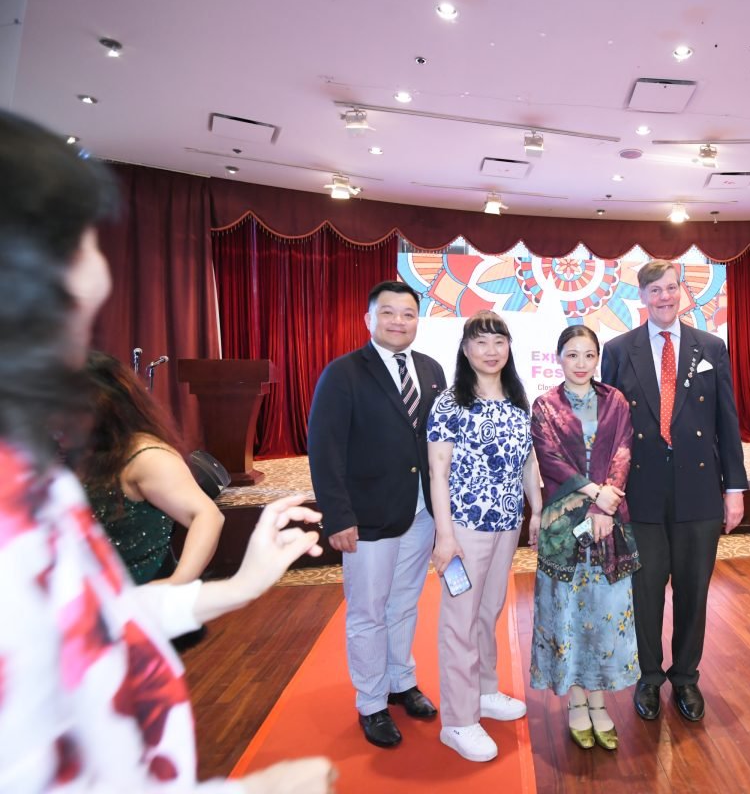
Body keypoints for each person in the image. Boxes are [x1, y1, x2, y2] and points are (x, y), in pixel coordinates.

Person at [0, 109, 334, 792]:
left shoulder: (33, 480)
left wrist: (235, 588)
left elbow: (84, 630)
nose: (100, 276)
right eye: (81, 244)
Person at [600, 260, 748, 723]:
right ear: (641, 297)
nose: (664, 297)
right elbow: (610, 430)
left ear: (681, 291)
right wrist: (607, 490)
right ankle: (648, 677)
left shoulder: (711, 347)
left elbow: (726, 421)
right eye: (655, 290)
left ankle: (685, 677)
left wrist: (734, 489)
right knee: (645, 591)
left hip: (699, 490)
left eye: (670, 288)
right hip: (639, 492)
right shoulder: (618, 350)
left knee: (693, 589)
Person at [308, 280, 446, 749]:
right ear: (369, 319)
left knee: (404, 603)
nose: (398, 322)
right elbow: (324, 449)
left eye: (408, 314)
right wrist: (337, 516)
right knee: (367, 611)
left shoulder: (430, 370)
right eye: (388, 313)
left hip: (420, 512)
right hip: (366, 517)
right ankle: (371, 702)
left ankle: (400, 681)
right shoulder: (343, 373)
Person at [427, 310, 540, 762]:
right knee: (459, 620)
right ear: (465, 349)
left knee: (489, 611)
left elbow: (527, 461)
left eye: (499, 341)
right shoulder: (451, 402)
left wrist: (536, 509)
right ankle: (458, 720)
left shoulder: (516, 399)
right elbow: (438, 472)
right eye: (480, 342)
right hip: (465, 528)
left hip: (507, 524)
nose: (491, 351)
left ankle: (484, 691)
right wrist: (444, 535)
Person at [529, 325, 639, 751]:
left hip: (609, 523)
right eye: (572, 354)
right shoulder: (545, 405)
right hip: (563, 527)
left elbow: (623, 452)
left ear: (598, 359)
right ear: (558, 357)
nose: (580, 363)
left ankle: (599, 701)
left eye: (588, 355)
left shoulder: (616, 401)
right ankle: (576, 702)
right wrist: (596, 494)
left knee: (606, 613)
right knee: (568, 614)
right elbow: (550, 459)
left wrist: (604, 507)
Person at [80, 350, 224, 585]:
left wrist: (176, 584)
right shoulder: (66, 455)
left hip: (144, 597)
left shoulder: (145, 456)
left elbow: (206, 515)